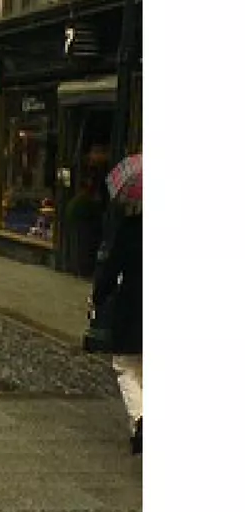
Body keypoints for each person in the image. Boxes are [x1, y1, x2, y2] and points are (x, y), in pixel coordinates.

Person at [89, 156, 142, 453]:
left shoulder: (132, 228)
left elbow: (110, 270)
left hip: (134, 308)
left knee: (124, 366)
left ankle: (141, 419)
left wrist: (98, 297)